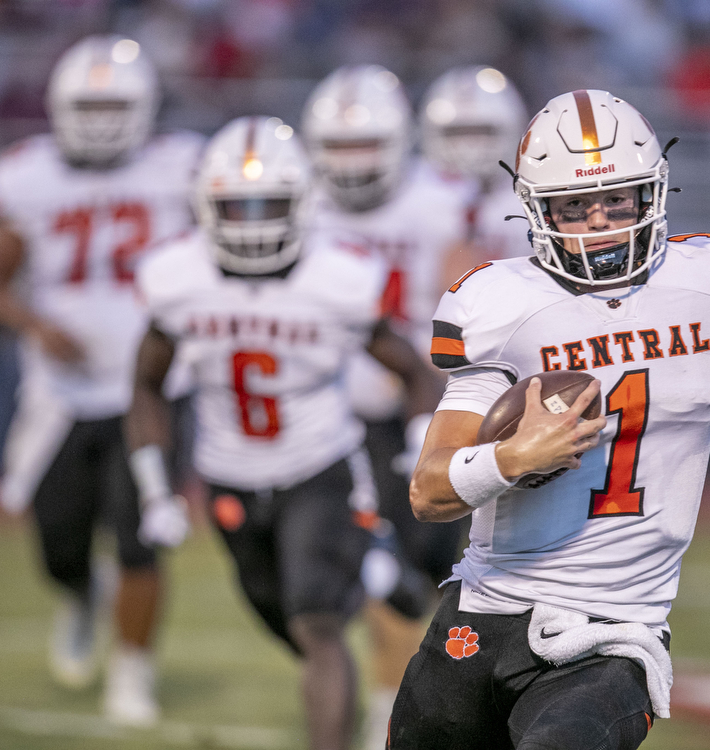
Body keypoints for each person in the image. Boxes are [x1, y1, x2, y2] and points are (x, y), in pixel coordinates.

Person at [389, 89, 710, 750]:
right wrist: (513, 458)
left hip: (612, 635)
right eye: (574, 207)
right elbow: (428, 491)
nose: (599, 223)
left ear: (652, 193)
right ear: (537, 211)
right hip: (484, 608)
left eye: (617, 200)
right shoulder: (502, 304)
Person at [126, 115, 441, 750]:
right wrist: (155, 490)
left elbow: (413, 369)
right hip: (229, 475)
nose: (250, 223)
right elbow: (146, 386)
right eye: (233, 207)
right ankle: (374, 565)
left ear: (302, 204)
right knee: (286, 623)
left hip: (318, 466)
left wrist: (420, 440)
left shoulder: (338, 278)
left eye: (265, 205)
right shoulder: (177, 278)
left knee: (316, 622)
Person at [0, 35, 203, 726]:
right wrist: (34, 325)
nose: (102, 117)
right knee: (57, 540)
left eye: (115, 103)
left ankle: (132, 675)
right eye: (89, 103)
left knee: (140, 537)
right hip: (61, 395)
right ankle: (78, 594)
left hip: (152, 388)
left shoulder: (179, 168)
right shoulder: (28, 175)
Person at [300, 64, 470, 749]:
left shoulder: (439, 200)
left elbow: (471, 288)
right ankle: (383, 706)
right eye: (338, 146)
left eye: (366, 144)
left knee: (432, 559)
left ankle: (411, 700)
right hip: (333, 410)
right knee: (377, 564)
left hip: (426, 400)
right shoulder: (298, 202)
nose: (351, 162)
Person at [418, 65, 533, 287]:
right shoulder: (413, 197)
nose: (470, 146)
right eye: (457, 133)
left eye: (483, 132)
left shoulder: (532, 200)